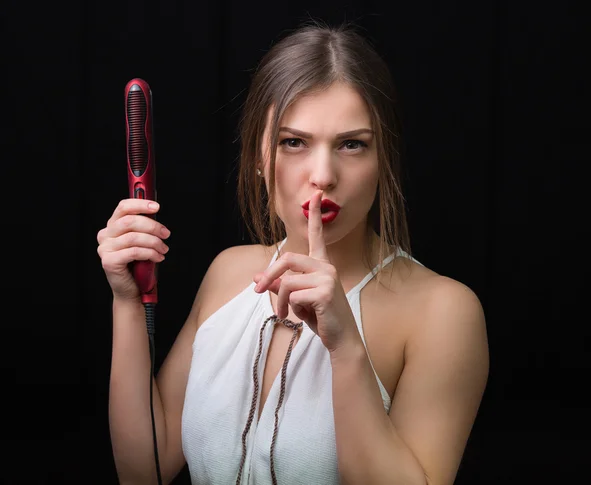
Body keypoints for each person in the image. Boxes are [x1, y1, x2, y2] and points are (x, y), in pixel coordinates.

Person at [97, 21, 489, 485]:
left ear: (383, 159)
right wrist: (125, 299)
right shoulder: (230, 272)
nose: (322, 175)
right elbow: (146, 470)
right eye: (294, 142)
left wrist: (346, 349)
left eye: (352, 144)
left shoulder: (442, 312)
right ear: (260, 156)